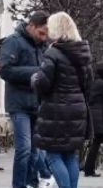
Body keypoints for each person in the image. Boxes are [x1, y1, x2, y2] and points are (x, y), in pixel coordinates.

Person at [31, 12, 92, 188]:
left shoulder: (53, 53)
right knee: (69, 155)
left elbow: (43, 84)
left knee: (53, 155)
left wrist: (34, 78)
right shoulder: (82, 52)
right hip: (77, 108)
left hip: (56, 110)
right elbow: (88, 83)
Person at [0, 11, 54, 188]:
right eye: (41, 33)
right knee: (24, 149)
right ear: (31, 25)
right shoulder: (13, 41)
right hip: (18, 104)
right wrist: (36, 71)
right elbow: (5, 70)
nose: (43, 38)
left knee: (35, 151)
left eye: (46, 34)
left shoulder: (41, 46)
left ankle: (32, 183)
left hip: (36, 104)